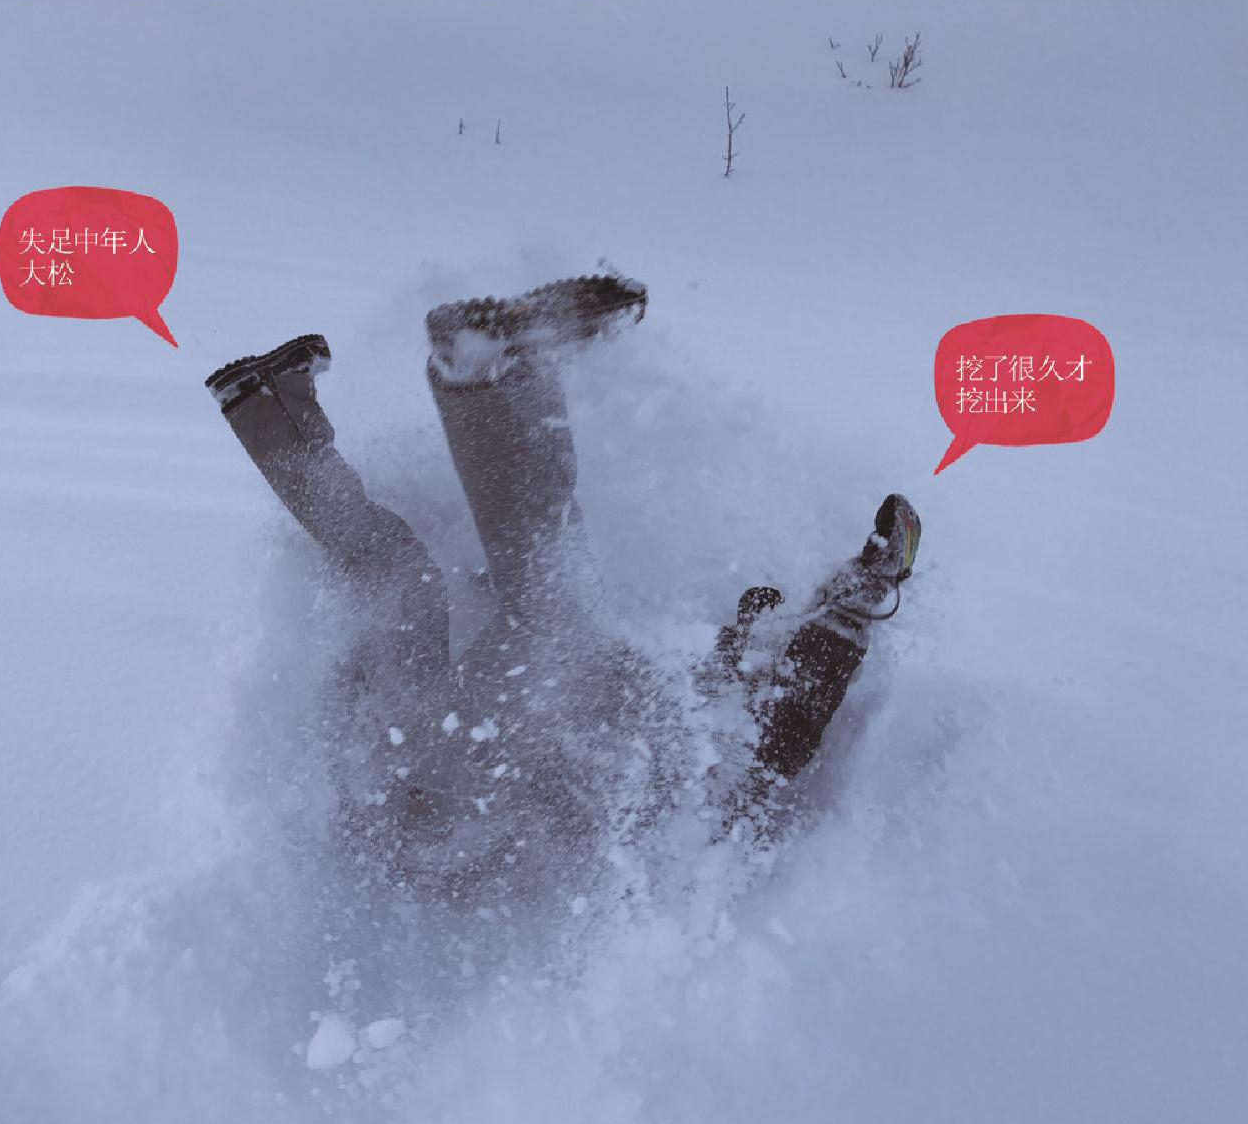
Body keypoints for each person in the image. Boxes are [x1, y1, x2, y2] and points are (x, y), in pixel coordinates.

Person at [205, 275, 921, 904]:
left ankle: (486, 371)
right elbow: (782, 696)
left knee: (550, 601)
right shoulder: (698, 787)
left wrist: (860, 599)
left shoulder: (719, 797)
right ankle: (265, 407)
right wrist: (853, 597)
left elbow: (794, 712)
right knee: (402, 579)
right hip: (390, 784)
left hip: (445, 805)